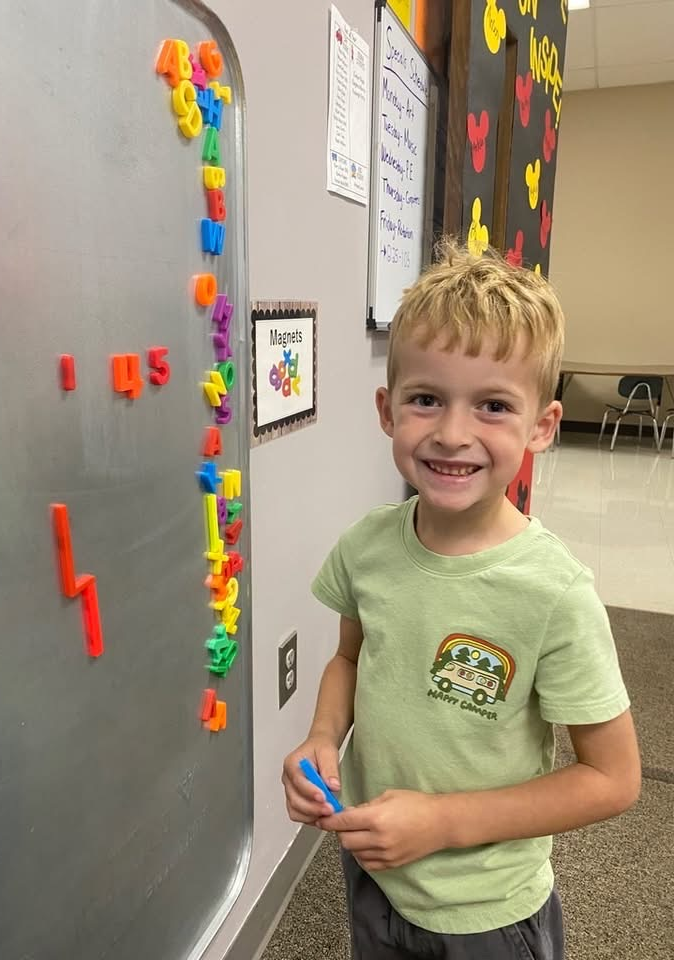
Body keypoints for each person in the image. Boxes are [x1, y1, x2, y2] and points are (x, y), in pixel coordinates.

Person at [281, 240, 641, 960]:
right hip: (376, 870)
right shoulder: (368, 547)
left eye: (493, 406)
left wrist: (442, 823)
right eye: (426, 399)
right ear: (387, 411)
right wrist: (323, 735)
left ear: (542, 426)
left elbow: (612, 778)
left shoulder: (554, 593)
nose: (451, 433)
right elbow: (350, 658)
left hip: (487, 912)